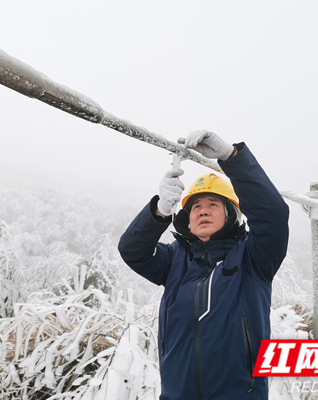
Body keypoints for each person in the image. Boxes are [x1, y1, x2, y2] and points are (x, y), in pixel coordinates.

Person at [118, 130, 289, 400]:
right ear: (187, 217)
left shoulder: (254, 259)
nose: (203, 210)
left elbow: (274, 216)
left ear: (231, 215)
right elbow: (132, 250)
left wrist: (231, 158)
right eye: (196, 206)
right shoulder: (174, 260)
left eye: (213, 204)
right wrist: (160, 211)